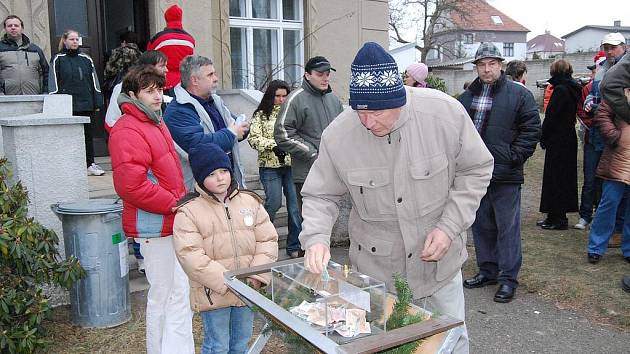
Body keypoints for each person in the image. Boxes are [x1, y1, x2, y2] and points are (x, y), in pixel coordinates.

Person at [301, 42, 494, 353]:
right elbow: (319, 195)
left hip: (438, 270)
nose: (367, 121)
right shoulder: (338, 135)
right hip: (377, 275)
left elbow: (477, 169)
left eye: (376, 111)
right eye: (359, 110)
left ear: (400, 98)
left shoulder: (445, 114)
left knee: (449, 344)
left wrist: (449, 227)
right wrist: (316, 238)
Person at [108, 65, 193, 354]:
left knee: (179, 293)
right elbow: (131, 186)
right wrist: (173, 204)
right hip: (155, 224)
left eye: (160, 89)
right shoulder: (128, 129)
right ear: (133, 94)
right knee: (164, 295)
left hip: (171, 220)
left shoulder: (154, 121)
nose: (158, 96)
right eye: (150, 91)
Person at [172, 142, 278, 354]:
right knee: (217, 345)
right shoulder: (189, 212)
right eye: (212, 174)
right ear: (200, 178)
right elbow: (191, 256)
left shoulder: (250, 201)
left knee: (241, 343)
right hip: (214, 292)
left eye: (224, 171)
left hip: (248, 288)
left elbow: (267, 240)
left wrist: (255, 275)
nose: (220, 178)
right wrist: (227, 281)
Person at [458, 42, 540, 303]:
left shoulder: (519, 94)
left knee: (508, 228)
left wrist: (514, 156)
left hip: (505, 172)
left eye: (492, 64)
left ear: (500, 65)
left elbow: (531, 129)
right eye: (482, 65)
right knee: (481, 225)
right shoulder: (467, 97)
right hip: (475, 174)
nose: (486, 69)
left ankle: (508, 279)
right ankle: (488, 270)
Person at [164, 55, 249, 190]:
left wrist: (242, 128)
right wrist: (232, 133)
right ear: (194, 80)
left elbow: (236, 128)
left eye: (214, 73)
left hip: (225, 184)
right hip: (199, 191)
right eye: (210, 75)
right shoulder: (179, 110)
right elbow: (198, 145)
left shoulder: (214, 101)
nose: (216, 78)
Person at [273, 56, 344, 211]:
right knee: (311, 226)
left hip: (334, 173)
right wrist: (312, 154)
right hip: (307, 174)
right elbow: (282, 134)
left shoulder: (334, 99)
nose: (325, 78)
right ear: (307, 75)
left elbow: (343, 132)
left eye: (327, 74)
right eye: (320, 74)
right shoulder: (295, 99)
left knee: (334, 224)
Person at [248, 80, 303, 258]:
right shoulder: (261, 115)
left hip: (291, 166)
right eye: (277, 96)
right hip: (269, 167)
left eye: (284, 96)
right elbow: (253, 139)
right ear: (271, 96)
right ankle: (263, 239)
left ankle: (293, 246)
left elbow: (300, 137)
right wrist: (274, 145)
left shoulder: (293, 113)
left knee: (295, 208)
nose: (281, 99)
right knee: (274, 203)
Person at [582, 32, 628, 238]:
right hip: (598, 135)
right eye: (607, 47)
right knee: (595, 182)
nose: (610, 51)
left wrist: (615, 134)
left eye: (614, 47)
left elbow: (615, 106)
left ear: (624, 47)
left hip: (619, 138)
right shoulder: (601, 70)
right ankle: (596, 224)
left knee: (617, 189)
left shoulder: (624, 70)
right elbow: (596, 98)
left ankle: (617, 231)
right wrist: (590, 101)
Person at [586, 54, 630, 264]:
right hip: (619, 157)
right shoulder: (619, 89)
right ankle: (596, 246)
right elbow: (602, 114)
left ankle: (628, 248)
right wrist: (615, 136)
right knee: (609, 203)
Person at [49, 29, 104, 176]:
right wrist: (56, 101)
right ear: (65, 41)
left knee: (87, 136)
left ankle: (90, 164)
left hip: (86, 103)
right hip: (67, 105)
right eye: (72, 39)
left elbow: (94, 81)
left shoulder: (86, 59)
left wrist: (97, 101)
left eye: (76, 39)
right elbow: (53, 82)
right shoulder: (58, 59)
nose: (75, 42)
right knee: (68, 137)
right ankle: (71, 166)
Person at [538, 59, 581, 230]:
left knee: (555, 178)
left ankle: (557, 218)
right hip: (568, 138)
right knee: (564, 178)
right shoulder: (572, 88)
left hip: (558, 139)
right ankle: (554, 215)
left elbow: (551, 117)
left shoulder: (561, 90)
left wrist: (544, 136)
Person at [574, 51, 606, 230]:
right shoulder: (589, 88)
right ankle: (585, 215)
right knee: (590, 179)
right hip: (592, 139)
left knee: (607, 181)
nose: (596, 71)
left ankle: (601, 216)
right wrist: (593, 122)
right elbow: (581, 111)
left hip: (610, 140)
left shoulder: (616, 86)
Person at [105, 50, 169, 131]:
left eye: (159, 90)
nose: (166, 70)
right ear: (149, 66)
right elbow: (111, 121)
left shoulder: (166, 89)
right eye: (162, 66)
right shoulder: (122, 87)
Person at [147, 4, 195, 93]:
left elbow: (149, 59)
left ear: (167, 18)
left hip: (164, 83)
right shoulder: (190, 40)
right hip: (184, 83)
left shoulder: (158, 38)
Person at [0, 15, 48, 94]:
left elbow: (46, 72)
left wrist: (45, 91)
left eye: (16, 25)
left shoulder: (35, 49)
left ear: (22, 28)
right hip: (7, 99)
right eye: (9, 26)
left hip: (33, 97)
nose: (13, 27)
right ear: (5, 29)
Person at [103, 30, 142, 96]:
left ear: (124, 41)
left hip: (120, 85)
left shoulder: (119, 52)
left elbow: (110, 70)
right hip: (136, 85)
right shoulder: (141, 54)